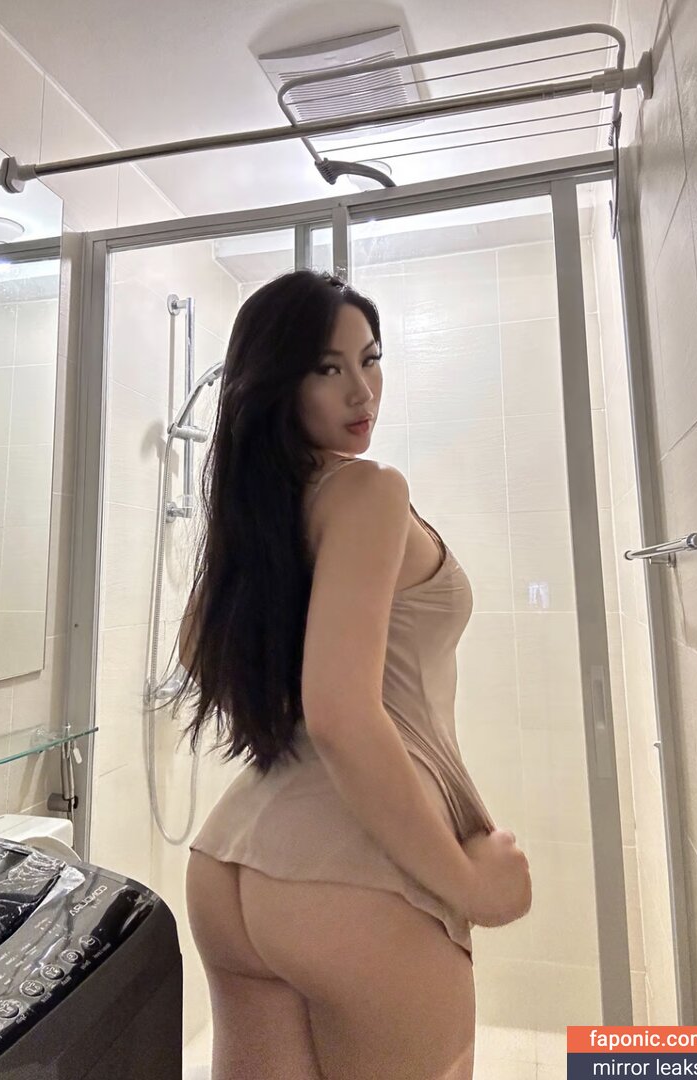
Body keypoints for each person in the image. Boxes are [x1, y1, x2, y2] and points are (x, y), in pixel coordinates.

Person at [162, 269, 532, 1080]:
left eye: (369, 359)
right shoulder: (367, 490)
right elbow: (339, 713)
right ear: (276, 382)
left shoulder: (260, 507)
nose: (361, 391)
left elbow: (198, 651)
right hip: (350, 873)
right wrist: (469, 886)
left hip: (231, 865)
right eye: (327, 368)